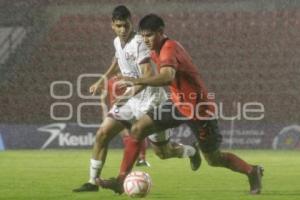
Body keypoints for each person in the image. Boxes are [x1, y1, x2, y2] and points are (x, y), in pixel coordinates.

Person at [98, 14, 264, 195]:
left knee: (214, 159)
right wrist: (129, 90)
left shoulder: (169, 48)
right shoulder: (155, 49)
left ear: (161, 32)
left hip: (198, 109)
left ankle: (252, 171)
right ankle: (121, 181)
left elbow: (167, 77)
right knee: (138, 130)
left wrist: (133, 79)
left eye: (150, 35)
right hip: (177, 104)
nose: (145, 40)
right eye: (143, 36)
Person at [73, 6, 201, 193]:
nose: (123, 30)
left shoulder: (140, 43)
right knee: (103, 133)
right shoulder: (117, 42)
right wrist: (103, 80)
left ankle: (192, 151)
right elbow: (117, 61)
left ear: (131, 22)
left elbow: (147, 77)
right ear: (112, 25)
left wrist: (125, 96)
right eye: (119, 26)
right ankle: (92, 182)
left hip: (152, 102)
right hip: (132, 101)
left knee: (163, 153)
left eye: (126, 25)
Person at [107, 77, 150, 167]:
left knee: (136, 133)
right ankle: (139, 158)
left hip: (130, 108)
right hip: (118, 108)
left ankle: (140, 158)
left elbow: (136, 91)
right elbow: (109, 96)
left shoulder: (128, 79)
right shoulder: (110, 81)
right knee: (128, 134)